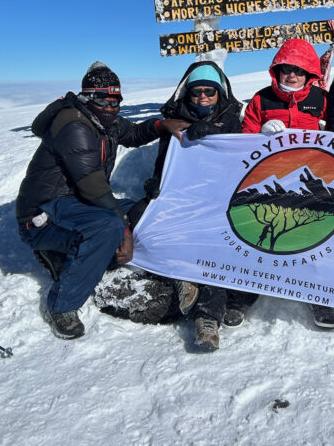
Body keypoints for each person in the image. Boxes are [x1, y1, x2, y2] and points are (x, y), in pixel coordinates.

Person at [14, 61, 189, 339]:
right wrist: (124, 230)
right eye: (102, 99)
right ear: (86, 98)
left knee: (140, 209)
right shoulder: (74, 124)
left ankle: (65, 252)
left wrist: (159, 125)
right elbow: (92, 186)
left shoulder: (103, 120)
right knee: (109, 227)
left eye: (115, 100)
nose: (110, 107)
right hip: (44, 212)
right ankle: (62, 305)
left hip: (75, 205)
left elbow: (131, 134)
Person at [136, 61, 253, 352]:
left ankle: (207, 319)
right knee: (141, 221)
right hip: (182, 195)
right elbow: (165, 162)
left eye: (209, 92)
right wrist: (155, 183)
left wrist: (212, 132)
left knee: (214, 244)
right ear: (187, 94)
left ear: (219, 93)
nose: (203, 97)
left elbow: (239, 161)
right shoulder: (174, 121)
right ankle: (182, 277)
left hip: (219, 198)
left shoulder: (233, 120)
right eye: (196, 92)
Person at [242, 38, 334, 329]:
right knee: (256, 236)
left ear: (309, 73)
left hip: (308, 180)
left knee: (314, 236)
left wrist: (327, 133)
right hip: (268, 178)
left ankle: (318, 294)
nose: (291, 75)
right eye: (285, 69)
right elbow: (243, 141)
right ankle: (241, 294)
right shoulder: (260, 99)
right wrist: (260, 135)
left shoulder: (321, 100)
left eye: (298, 70)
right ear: (276, 71)